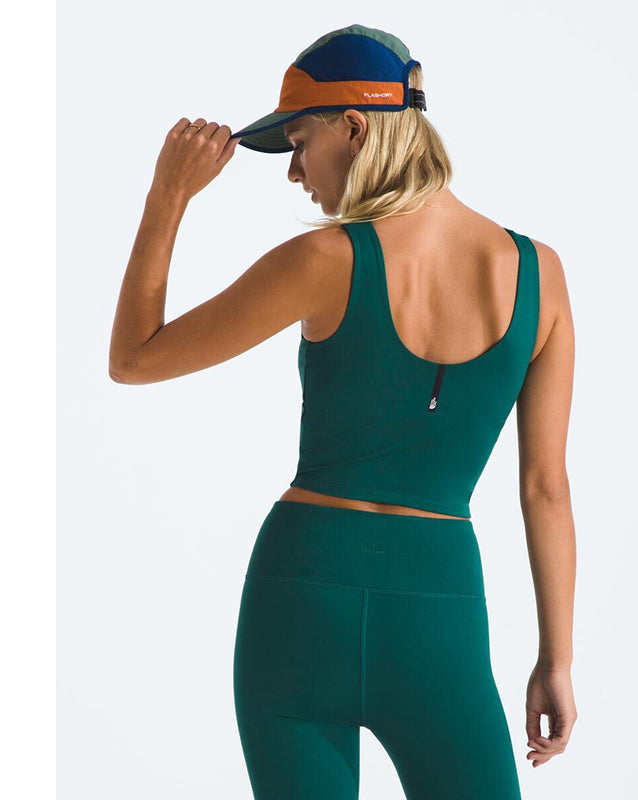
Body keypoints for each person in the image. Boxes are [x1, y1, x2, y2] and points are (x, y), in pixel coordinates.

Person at [109, 22, 577, 800]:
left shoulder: (323, 261)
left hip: (303, 597)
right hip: (439, 615)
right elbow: (546, 488)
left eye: (299, 143)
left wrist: (167, 198)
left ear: (355, 128)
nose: (295, 172)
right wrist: (556, 657)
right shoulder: (539, 275)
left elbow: (134, 359)